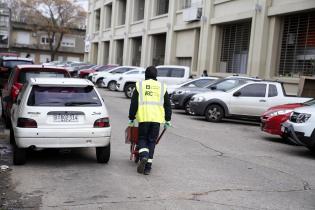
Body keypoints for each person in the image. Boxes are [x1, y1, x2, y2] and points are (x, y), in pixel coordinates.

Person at [128, 66, 172, 175]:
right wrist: (168, 119)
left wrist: (131, 118)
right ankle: (148, 167)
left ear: (146, 75)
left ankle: (143, 156)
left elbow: (134, 103)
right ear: (156, 75)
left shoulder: (140, 85)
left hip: (144, 118)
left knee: (142, 138)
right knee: (152, 141)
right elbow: (167, 105)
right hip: (156, 119)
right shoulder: (162, 86)